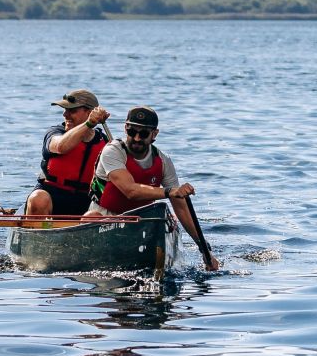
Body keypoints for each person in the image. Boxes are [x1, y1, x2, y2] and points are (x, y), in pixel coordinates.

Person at [88, 106, 220, 270]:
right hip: (106, 216)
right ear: (125, 129)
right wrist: (169, 192)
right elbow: (130, 191)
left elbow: (181, 207)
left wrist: (204, 249)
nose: (136, 138)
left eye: (143, 134)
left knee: (167, 219)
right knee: (91, 216)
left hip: (141, 222)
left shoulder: (163, 161)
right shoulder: (112, 151)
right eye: (131, 132)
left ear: (154, 134)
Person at [25, 88, 111, 219]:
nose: (65, 115)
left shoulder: (104, 142)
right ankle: (39, 236)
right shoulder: (55, 133)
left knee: (95, 215)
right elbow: (61, 147)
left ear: (89, 112)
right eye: (65, 110)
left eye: (72, 111)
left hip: (85, 200)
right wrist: (89, 124)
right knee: (38, 199)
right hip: (52, 196)